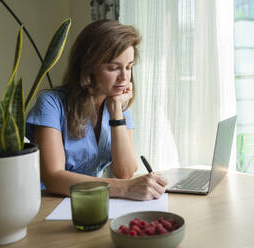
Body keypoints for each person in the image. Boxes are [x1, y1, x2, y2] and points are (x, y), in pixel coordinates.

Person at [26, 19, 167, 201]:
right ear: (89, 67)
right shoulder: (51, 104)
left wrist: (116, 110)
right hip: (49, 203)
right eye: (113, 68)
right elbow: (53, 178)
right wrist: (124, 189)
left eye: (129, 67)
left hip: (90, 199)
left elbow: (125, 172)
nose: (124, 77)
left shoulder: (119, 106)